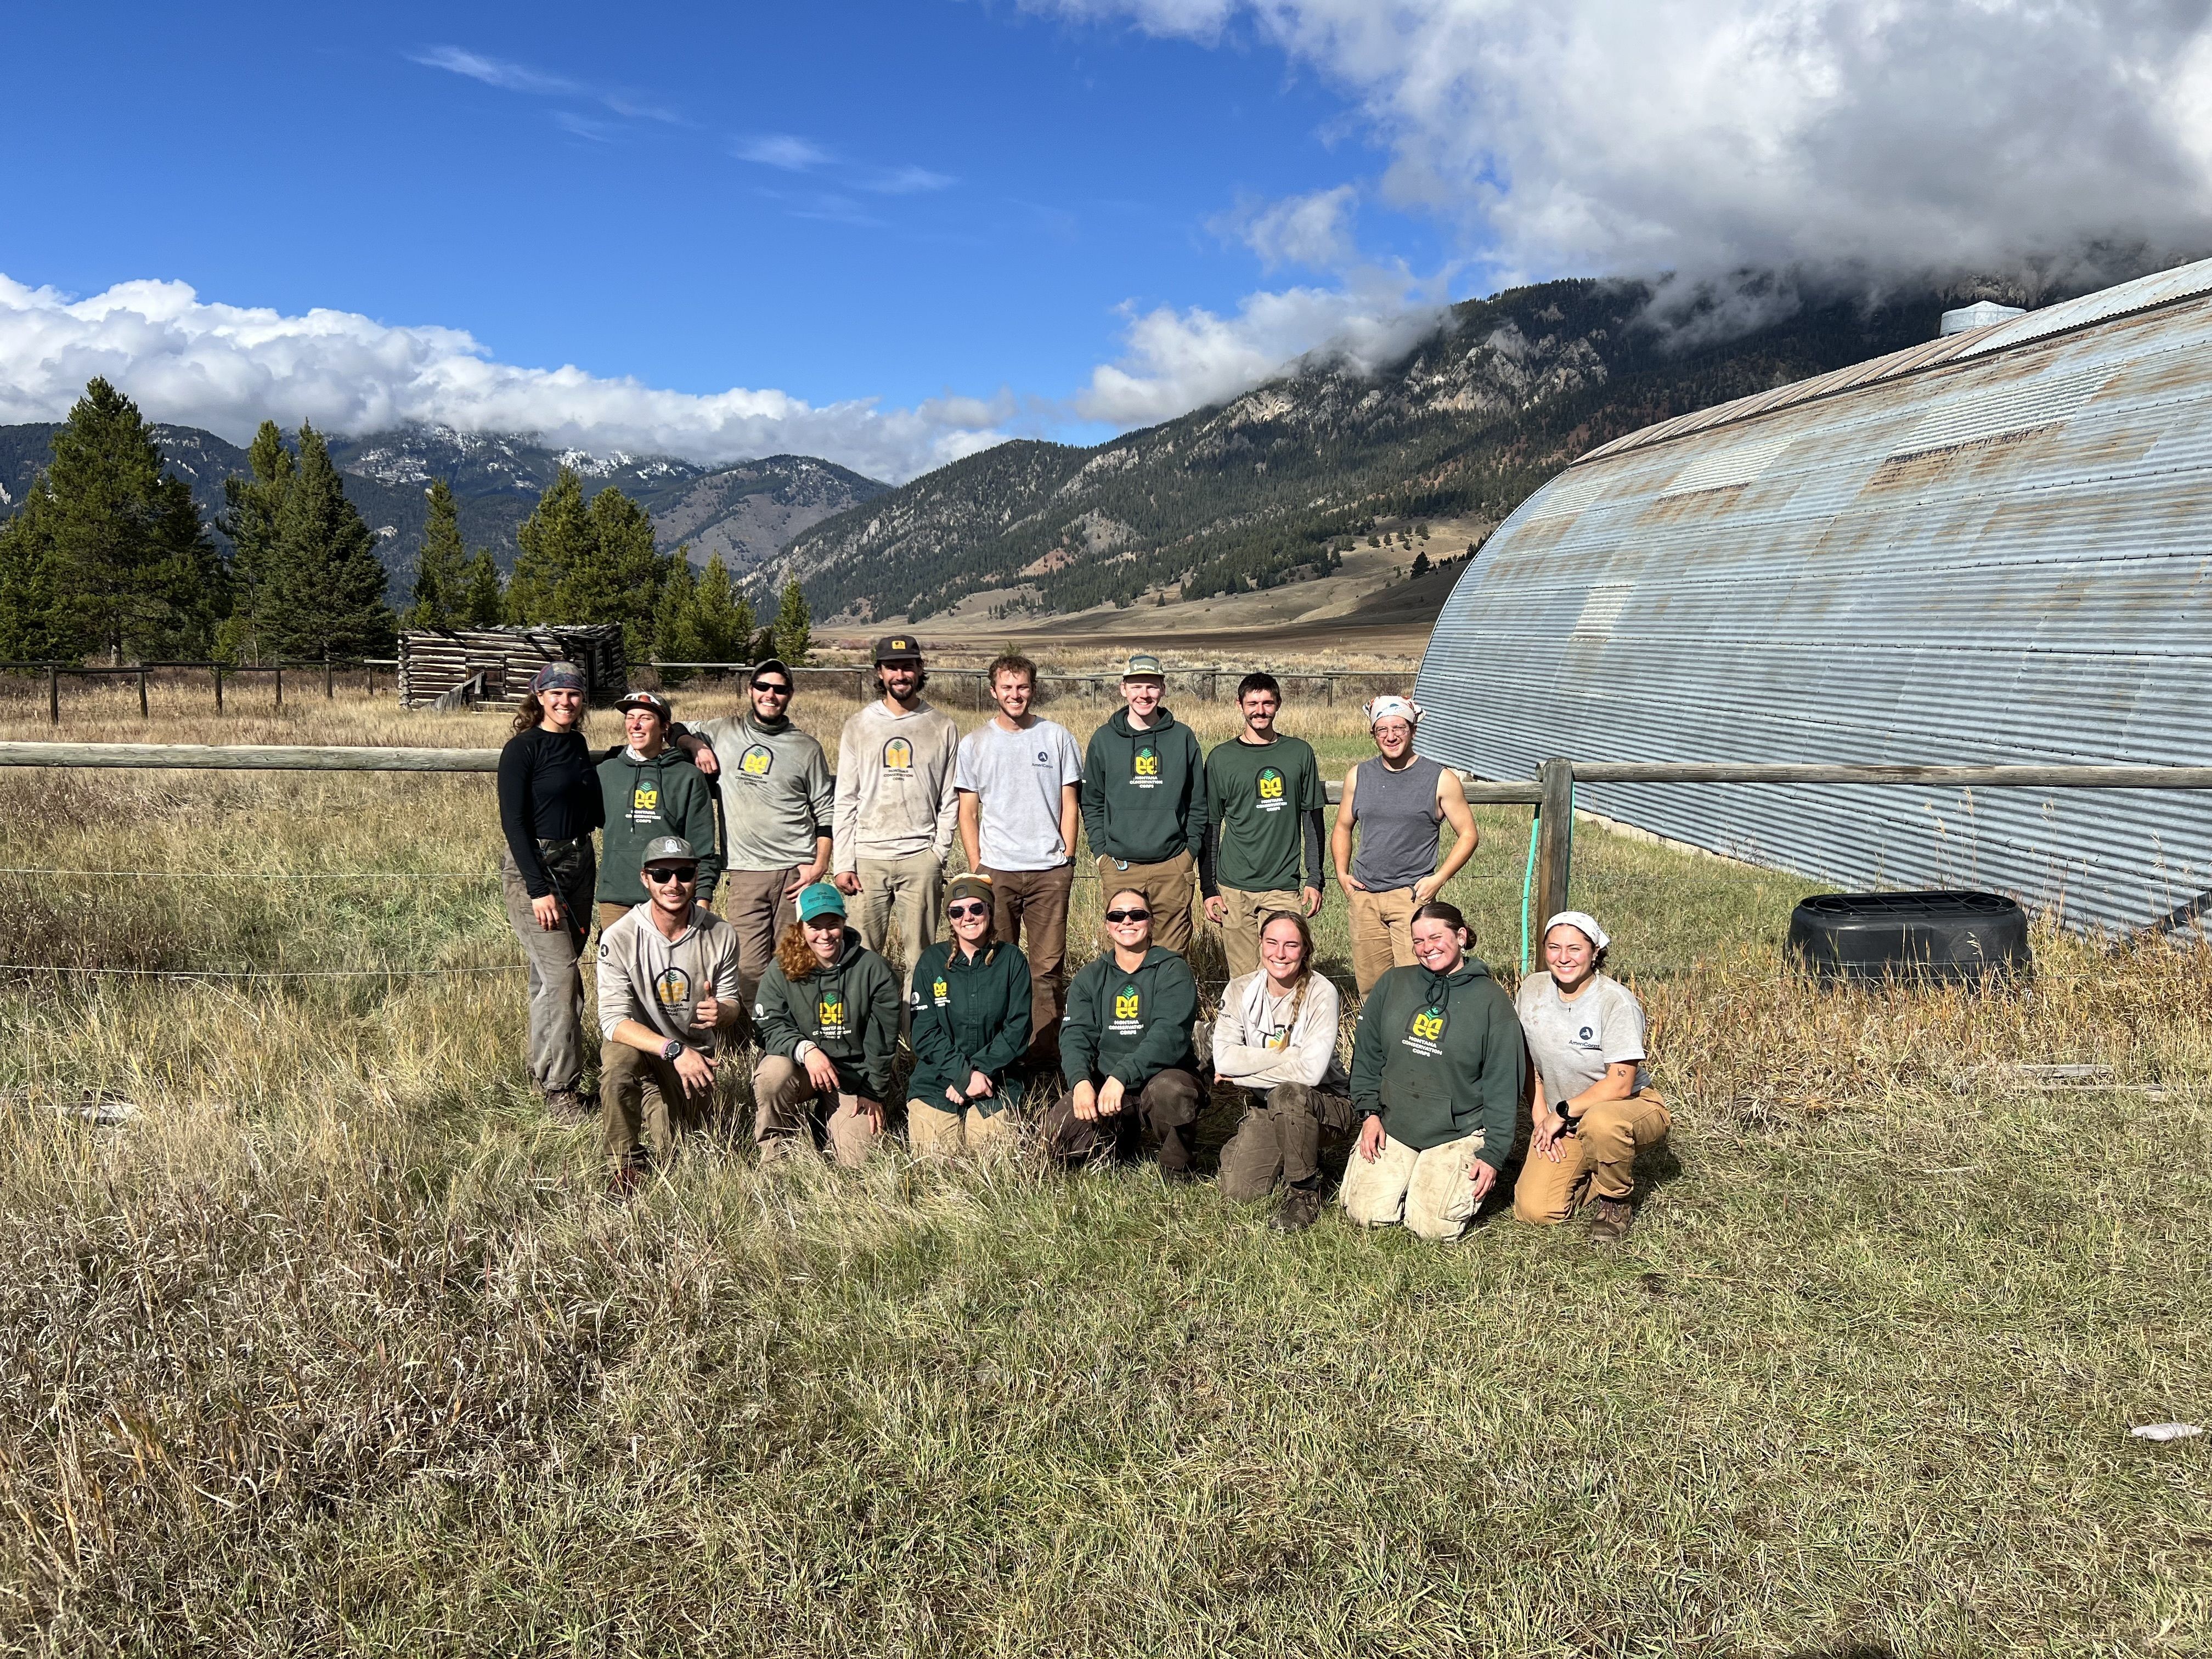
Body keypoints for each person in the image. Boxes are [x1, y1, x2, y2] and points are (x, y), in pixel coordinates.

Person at [1342, 900, 1522, 1241]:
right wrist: (1369, 1114)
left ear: (1461, 935)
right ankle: (1404, 1174)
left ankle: (1437, 1179)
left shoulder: (1492, 1003)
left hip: (1457, 1131)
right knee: (1364, 1213)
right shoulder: (1394, 983)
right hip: (1394, 1123)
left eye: (1436, 937)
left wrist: (1494, 1154)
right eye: (1419, 941)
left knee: (1431, 1228)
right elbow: (1367, 1054)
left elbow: (1503, 1085)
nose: (1427, 948)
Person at [681, 658, 835, 1019]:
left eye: (780, 689)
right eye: (763, 687)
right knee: (747, 965)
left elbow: (825, 811)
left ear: (790, 695)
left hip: (796, 871)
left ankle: (794, 1034)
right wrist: (695, 747)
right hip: (746, 870)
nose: (771, 695)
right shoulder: (723, 731)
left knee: (795, 961)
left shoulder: (806, 747)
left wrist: (820, 864)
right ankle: (757, 1035)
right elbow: (674, 727)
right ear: (751, 690)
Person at [955, 651, 1084, 1065]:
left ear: (1033, 689)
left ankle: (1044, 1057)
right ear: (993, 691)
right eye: (1007, 688)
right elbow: (968, 811)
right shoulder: (975, 744)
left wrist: (1068, 856)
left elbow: (1070, 801)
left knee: (1046, 969)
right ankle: (1001, 1055)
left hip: (1049, 871)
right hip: (998, 872)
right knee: (998, 966)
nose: (1016, 695)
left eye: (1023, 687)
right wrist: (978, 867)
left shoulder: (1057, 737)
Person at [596, 836, 744, 1194]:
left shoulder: (720, 933)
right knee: (617, 1064)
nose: (673, 884)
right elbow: (613, 1021)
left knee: (680, 1158)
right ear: (645, 879)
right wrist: (674, 1051)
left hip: (695, 1056)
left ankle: (656, 1100)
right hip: (648, 1047)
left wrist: (722, 1012)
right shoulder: (619, 937)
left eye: (684, 873)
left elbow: (733, 1004)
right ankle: (624, 1163)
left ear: (697, 877)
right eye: (662, 875)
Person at [1512, 911, 1671, 1242]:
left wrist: (1562, 1113)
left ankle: (1615, 1198)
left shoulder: (1616, 1002)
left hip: (1627, 1106)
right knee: (1535, 1210)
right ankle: (1594, 1167)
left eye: (1575, 948)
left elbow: (1621, 1082)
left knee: (1602, 1123)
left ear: (1595, 951)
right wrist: (1541, 1115)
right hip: (1564, 1117)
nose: (1563, 958)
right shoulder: (1532, 988)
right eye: (1554, 948)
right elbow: (1526, 1060)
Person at [497, 660, 605, 1119]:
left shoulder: (578, 744)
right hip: (536, 872)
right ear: (539, 697)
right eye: (556, 694)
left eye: (574, 694)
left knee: (548, 978)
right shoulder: (522, 750)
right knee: (564, 979)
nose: (565, 702)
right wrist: (539, 888)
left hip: (580, 863)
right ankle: (561, 1091)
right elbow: (515, 823)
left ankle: (541, 1068)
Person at [1041, 887, 1204, 1180]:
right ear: (1107, 925)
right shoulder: (1090, 976)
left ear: (1151, 922)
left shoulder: (1172, 969)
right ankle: (1121, 1141)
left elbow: (1169, 1035)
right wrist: (1080, 1081)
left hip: (1163, 1075)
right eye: (1117, 915)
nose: (1127, 921)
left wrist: (1122, 1075)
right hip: (1109, 1085)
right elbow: (1076, 1035)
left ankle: (1177, 1168)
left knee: (1172, 1092)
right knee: (1057, 1134)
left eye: (1137, 914)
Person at [833, 634, 960, 988]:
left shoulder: (942, 726)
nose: (900, 675)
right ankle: (871, 1040)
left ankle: (918, 1038)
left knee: (922, 960)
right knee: (860, 959)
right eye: (892, 667)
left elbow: (950, 798)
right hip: (867, 858)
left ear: (920, 670)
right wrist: (843, 862)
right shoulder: (859, 726)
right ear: (880, 672)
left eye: (907, 666)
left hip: (921, 857)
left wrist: (938, 853)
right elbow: (846, 797)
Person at [1331, 695, 1480, 995]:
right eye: (1382, 729)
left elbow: (1468, 834)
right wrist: (1342, 875)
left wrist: (1437, 880)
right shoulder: (1359, 776)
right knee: (1372, 989)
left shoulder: (1440, 779)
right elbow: (1342, 827)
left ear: (1413, 729)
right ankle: (1379, 1041)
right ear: (1373, 734)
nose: (1391, 736)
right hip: (1365, 897)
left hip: (1410, 898)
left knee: (1416, 984)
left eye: (1399, 727)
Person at [1213, 910, 1351, 1232]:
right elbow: (1225, 1060)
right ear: (1260, 944)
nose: (1280, 953)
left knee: (1290, 1094)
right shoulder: (1239, 990)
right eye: (1272, 943)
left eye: (1291, 945)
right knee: (1240, 1190)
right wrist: (1288, 1054)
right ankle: (1290, 1149)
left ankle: (1303, 1192)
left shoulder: (1322, 992)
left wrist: (1244, 1077)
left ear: (1305, 950)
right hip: (1268, 1102)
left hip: (1324, 1103)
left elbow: (1312, 1073)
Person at [750, 882, 901, 1167]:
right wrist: (806, 1050)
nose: (825, 935)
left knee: (859, 1163)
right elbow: (767, 1024)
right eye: (814, 926)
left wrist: (873, 1092)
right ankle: (776, 1159)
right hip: (801, 1068)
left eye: (832, 924)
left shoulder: (873, 969)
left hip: (852, 1076)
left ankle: (824, 1121)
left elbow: (883, 1039)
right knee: (772, 1075)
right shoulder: (783, 966)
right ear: (801, 927)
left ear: (844, 922)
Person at [1200, 673, 1327, 980]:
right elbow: (1211, 826)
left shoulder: (1299, 753)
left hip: (1282, 885)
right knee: (1244, 979)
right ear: (1240, 705)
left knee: (1285, 972)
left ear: (1278, 704)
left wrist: (1315, 878)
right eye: (1253, 703)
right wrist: (1209, 886)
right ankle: (1244, 1029)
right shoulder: (1221, 758)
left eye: (1268, 703)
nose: (1260, 710)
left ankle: (1286, 1028)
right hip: (1233, 888)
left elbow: (1313, 820)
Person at [1081, 652, 1207, 957]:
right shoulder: (1104, 739)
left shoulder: (1182, 738)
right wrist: (1102, 855)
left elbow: (1198, 802)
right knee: (1127, 952)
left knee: (1172, 956)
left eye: (1151, 686)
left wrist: (1187, 854)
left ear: (1163, 689)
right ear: (1123, 688)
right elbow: (1092, 801)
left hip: (1172, 866)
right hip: (1121, 867)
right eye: (1136, 686)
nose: (1144, 695)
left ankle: (1169, 1005)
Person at [906, 872, 1033, 1156]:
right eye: (957, 911)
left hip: (995, 1081)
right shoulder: (931, 962)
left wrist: (978, 1072)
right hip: (938, 1080)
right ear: (950, 919)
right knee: (936, 1166)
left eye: (977, 908)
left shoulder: (1012, 960)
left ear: (989, 910)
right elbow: (924, 1034)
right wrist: (963, 1075)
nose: (968, 917)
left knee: (993, 1161)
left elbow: (1018, 1029)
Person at [594, 690, 720, 932]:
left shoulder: (687, 776)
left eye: (645, 718)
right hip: (617, 896)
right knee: (620, 969)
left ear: (665, 727)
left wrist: (702, 896)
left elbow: (701, 843)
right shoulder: (607, 772)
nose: (636, 725)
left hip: (670, 894)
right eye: (630, 718)